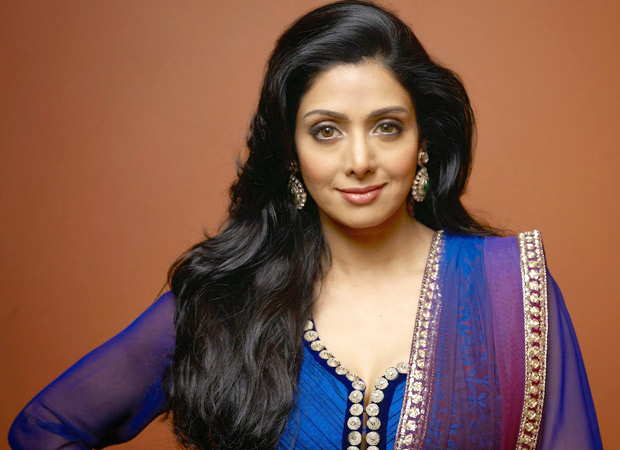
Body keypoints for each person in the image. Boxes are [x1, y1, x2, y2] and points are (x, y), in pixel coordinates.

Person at [8, 1, 602, 449]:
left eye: (387, 126)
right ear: (292, 154)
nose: (360, 159)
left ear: (423, 142)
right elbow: (46, 428)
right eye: (326, 131)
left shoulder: (510, 293)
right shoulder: (228, 298)